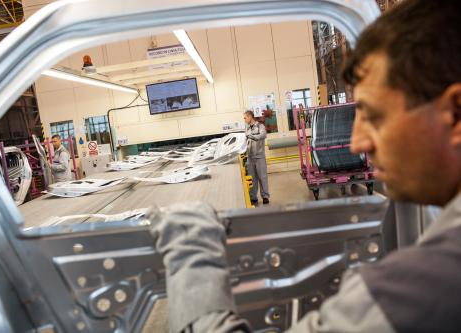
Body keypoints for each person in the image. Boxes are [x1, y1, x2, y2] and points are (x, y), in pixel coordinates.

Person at [148, 0, 461, 332]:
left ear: (454, 114)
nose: (357, 143)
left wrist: (192, 250)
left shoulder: (427, 281)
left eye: (374, 116)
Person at [244, 110, 270, 205]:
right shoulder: (246, 128)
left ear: (250, 116)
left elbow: (263, 135)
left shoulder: (260, 126)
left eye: (245, 117)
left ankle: (265, 196)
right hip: (250, 157)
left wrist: (253, 136)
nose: (245, 119)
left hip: (259, 157)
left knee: (262, 177)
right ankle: (253, 197)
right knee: (252, 178)